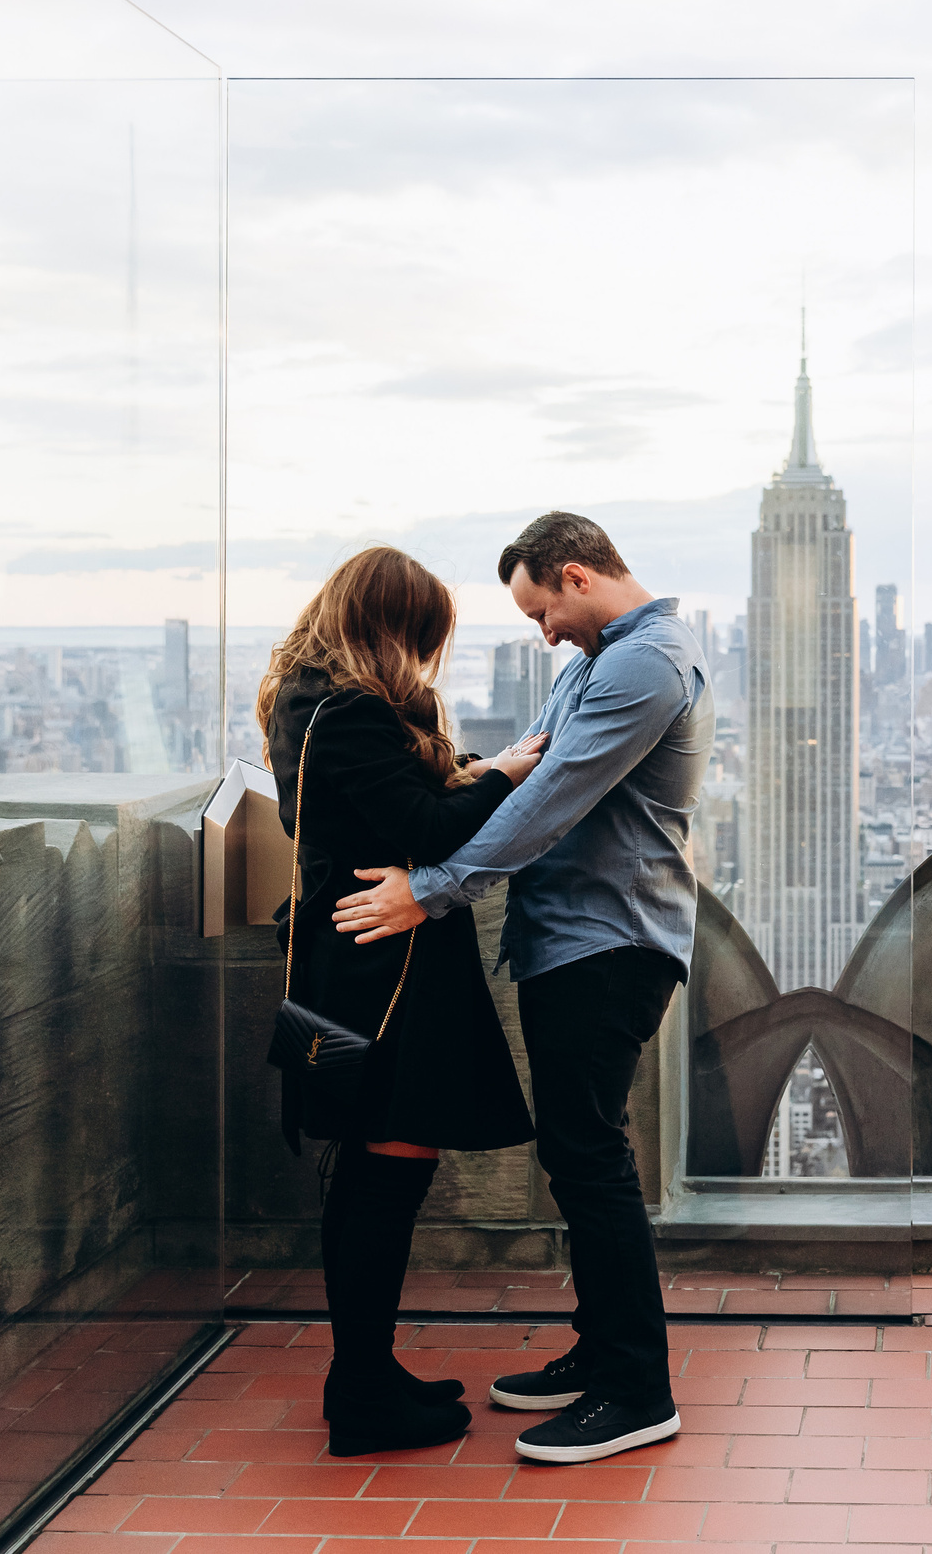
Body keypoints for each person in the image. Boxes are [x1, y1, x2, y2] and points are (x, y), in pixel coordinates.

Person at [333, 511, 710, 1465]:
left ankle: (637, 1388)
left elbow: (549, 799)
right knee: (579, 1158)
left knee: (590, 1158)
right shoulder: (594, 662)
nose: (543, 634)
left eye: (543, 611)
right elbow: (520, 768)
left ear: (577, 577)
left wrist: (431, 890)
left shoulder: (643, 664)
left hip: (610, 939)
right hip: (568, 941)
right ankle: (602, 1350)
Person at [259, 546, 545, 1458]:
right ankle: (364, 1395)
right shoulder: (352, 715)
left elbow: (375, 810)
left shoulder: (301, 704)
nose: (426, 659)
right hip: (385, 978)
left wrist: (465, 768)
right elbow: (423, 830)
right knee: (387, 1173)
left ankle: (364, 1376)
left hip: (329, 972)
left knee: (361, 1172)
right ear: (393, 630)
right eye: (422, 638)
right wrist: (501, 777)